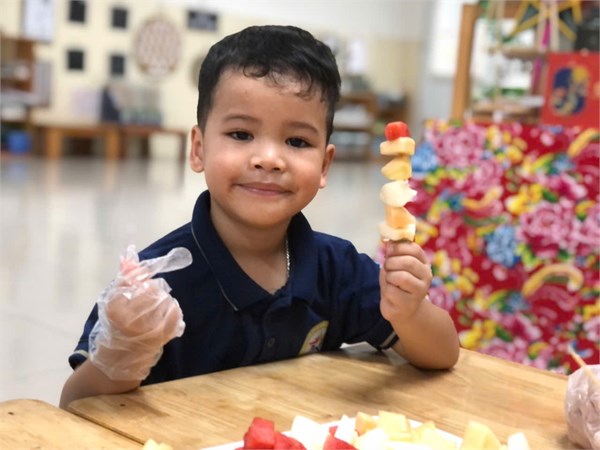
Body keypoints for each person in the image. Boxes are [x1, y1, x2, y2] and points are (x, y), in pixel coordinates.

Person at [59, 25, 459, 409]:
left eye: (297, 141)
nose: (268, 159)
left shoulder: (338, 269)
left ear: (324, 165)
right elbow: (74, 406)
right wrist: (123, 352)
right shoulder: (153, 286)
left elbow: (443, 355)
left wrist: (411, 313)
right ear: (198, 149)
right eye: (241, 134)